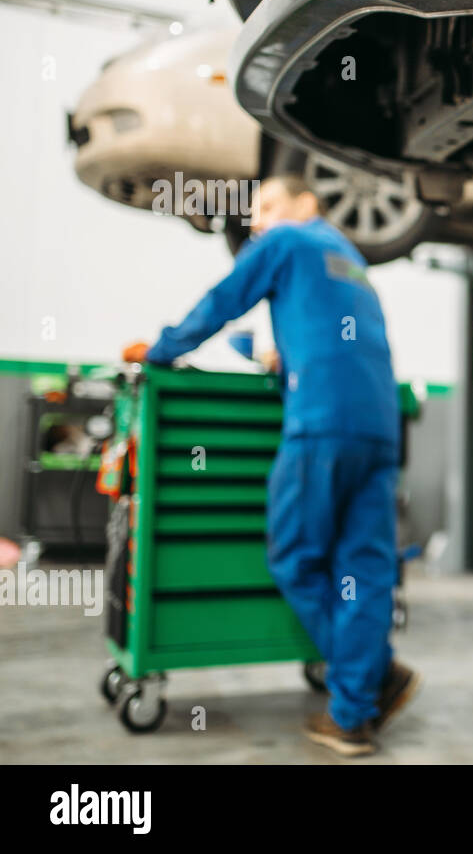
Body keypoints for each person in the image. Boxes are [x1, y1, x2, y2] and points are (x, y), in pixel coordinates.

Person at [123, 175, 420, 757]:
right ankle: (356, 705)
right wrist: (279, 357)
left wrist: (160, 349)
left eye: (268, 206)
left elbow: (224, 299)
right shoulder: (354, 265)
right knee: (365, 569)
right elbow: (333, 337)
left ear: (307, 203)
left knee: (293, 556)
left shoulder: (287, 243)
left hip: (321, 427)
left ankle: (367, 683)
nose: (257, 220)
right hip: (379, 430)